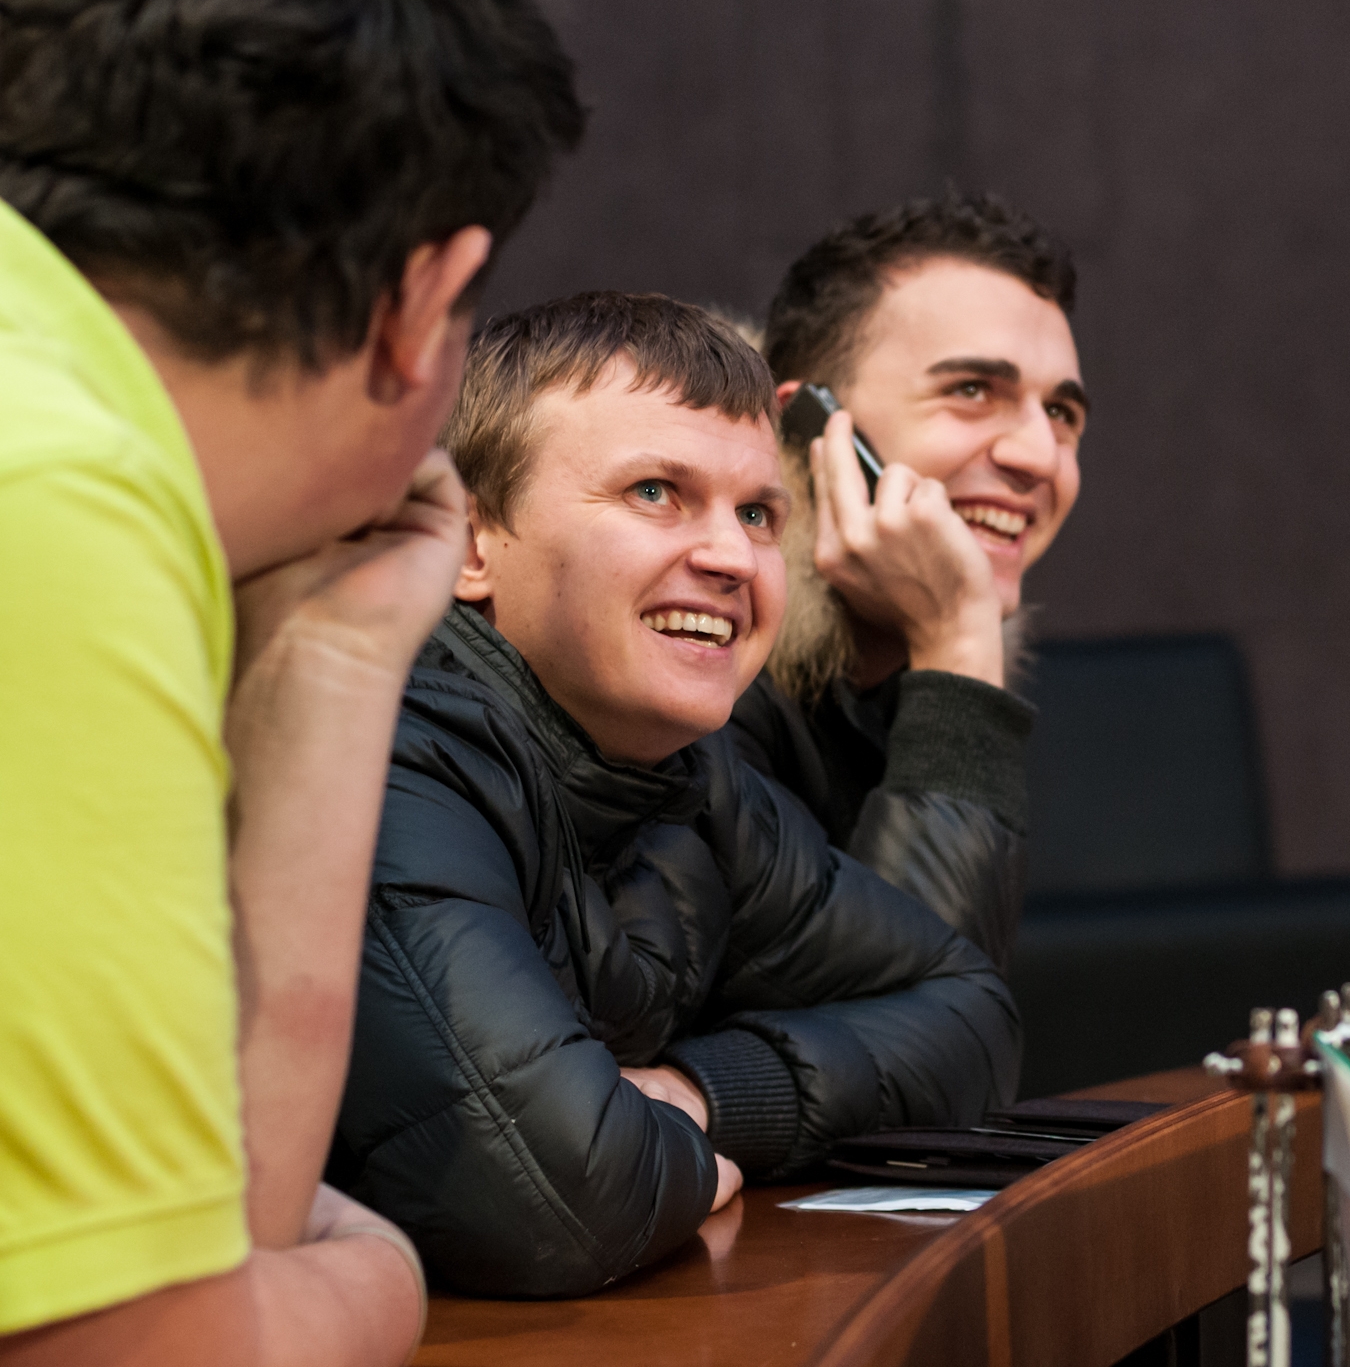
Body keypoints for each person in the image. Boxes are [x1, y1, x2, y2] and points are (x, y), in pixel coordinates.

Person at [0, 0, 583, 1367]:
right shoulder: (52, 492)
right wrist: (380, 1273)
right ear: (420, 305)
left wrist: (332, 664)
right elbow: (152, 1351)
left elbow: (181, 1239)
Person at [332, 293, 1018, 1298]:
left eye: (757, 514)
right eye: (655, 492)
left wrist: (704, 1091)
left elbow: (972, 1019)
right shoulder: (389, 751)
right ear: (467, 543)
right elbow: (561, 1196)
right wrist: (645, 1139)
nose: (732, 557)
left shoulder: (696, 782)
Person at [731, 194, 1088, 969]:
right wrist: (959, 645)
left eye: (1062, 412)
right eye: (972, 391)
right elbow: (914, 1017)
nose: (1040, 456)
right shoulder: (700, 677)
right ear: (806, 423)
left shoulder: (915, 676)